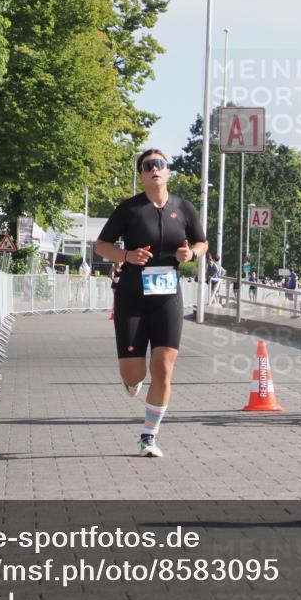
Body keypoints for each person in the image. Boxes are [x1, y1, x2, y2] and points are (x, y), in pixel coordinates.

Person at [94, 148, 207, 458]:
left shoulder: (183, 208)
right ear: (141, 175)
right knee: (133, 374)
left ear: (168, 171)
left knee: (164, 368)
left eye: (160, 164)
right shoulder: (129, 209)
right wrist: (127, 256)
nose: (155, 169)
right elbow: (101, 245)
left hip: (168, 296)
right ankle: (133, 382)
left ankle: (149, 435)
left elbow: (202, 242)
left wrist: (192, 254)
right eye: (148, 166)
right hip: (132, 295)